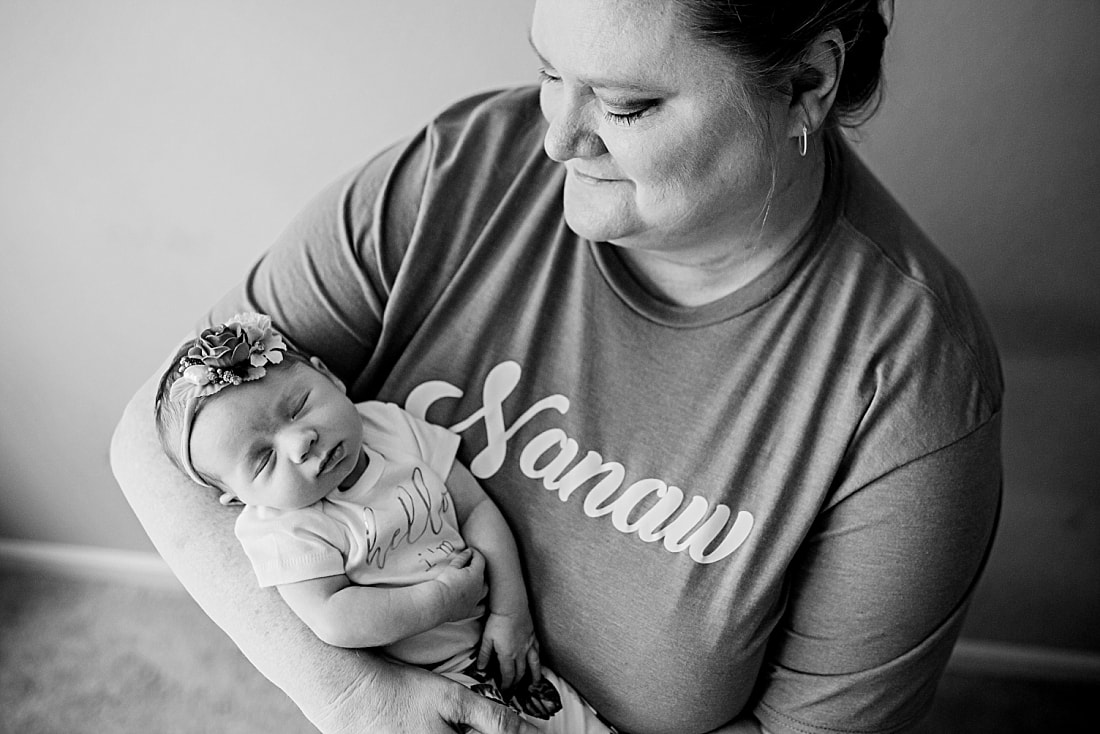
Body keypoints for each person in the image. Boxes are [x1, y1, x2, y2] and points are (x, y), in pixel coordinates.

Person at [111, 1, 1003, 733]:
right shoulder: (460, 171)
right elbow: (154, 439)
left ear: (807, 81)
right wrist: (349, 696)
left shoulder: (909, 389)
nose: (556, 140)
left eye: (625, 106)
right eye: (548, 74)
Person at [152, 312, 614, 733]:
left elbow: (476, 509)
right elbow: (334, 617)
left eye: (298, 407)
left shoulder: (388, 427)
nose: (299, 443)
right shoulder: (282, 529)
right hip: (427, 683)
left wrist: (511, 611)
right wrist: (437, 600)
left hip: (501, 641)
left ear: (329, 376)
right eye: (263, 459)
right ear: (234, 497)